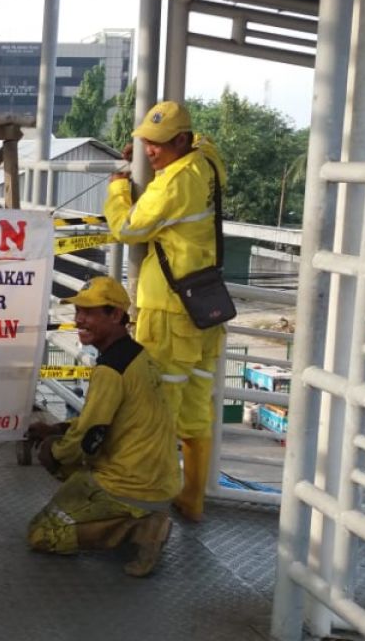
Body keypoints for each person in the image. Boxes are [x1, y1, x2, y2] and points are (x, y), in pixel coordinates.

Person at [103, 100, 226, 523]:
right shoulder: (206, 160)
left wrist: (120, 187)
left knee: (155, 409)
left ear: (179, 140)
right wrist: (143, 156)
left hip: (169, 311)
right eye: (144, 144)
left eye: (156, 145)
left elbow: (127, 228)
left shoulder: (173, 184)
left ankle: (146, 506)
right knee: (195, 412)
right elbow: (204, 141)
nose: (149, 152)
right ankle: (191, 499)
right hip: (204, 309)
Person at [26, 276, 180, 577]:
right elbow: (101, 421)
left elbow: (88, 441)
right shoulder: (136, 356)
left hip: (131, 485)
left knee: (42, 534)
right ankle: (135, 516)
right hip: (159, 480)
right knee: (67, 458)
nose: (80, 320)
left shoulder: (110, 370)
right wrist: (59, 427)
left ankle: (139, 529)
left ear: (116, 315)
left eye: (90, 312)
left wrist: (52, 448)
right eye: (78, 311)